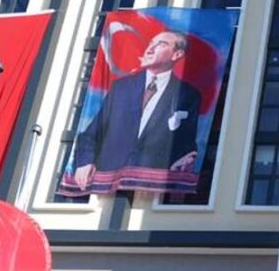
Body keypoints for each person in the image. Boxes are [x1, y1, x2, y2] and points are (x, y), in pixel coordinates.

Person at [68, 30, 201, 191]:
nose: (150, 48)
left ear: (176, 54)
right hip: (106, 181)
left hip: (151, 186)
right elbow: (91, 134)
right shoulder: (121, 88)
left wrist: (186, 158)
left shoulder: (187, 94)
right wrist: (85, 162)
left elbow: (186, 143)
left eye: (161, 44)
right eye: (151, 43)